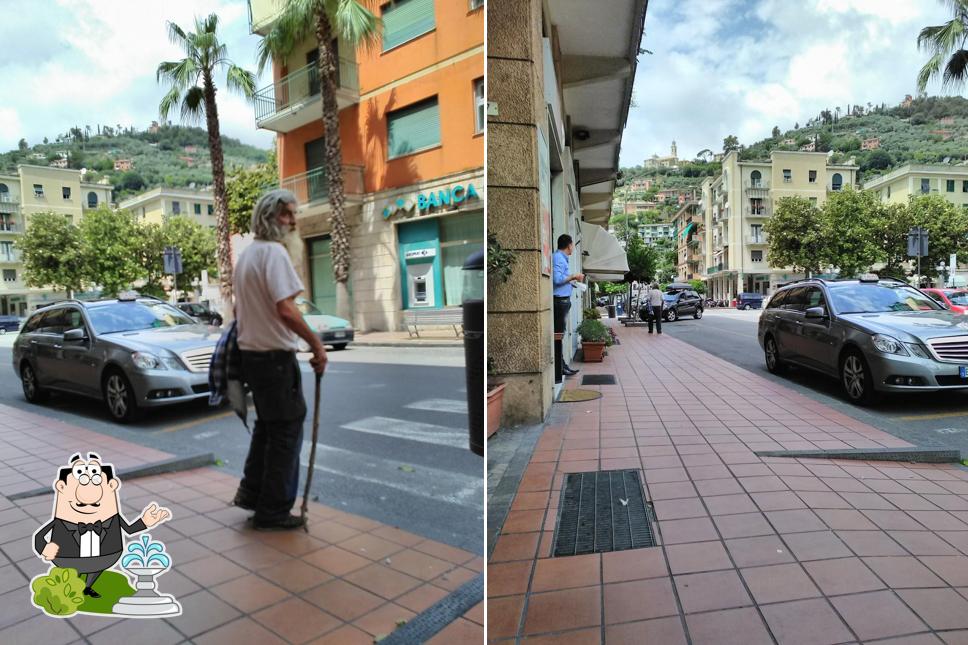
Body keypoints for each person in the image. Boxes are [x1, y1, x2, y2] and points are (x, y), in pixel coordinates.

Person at [232, 189, 327, 531]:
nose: (292, 222)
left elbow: (238, 310)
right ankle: (272, 510)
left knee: (269, 427)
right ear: (268, 217)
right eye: (286, 214)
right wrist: (316, 344)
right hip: (273, 359)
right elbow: (285, 309)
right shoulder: (273, 253)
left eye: (293, 215)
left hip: (254, 358)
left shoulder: (247, 256)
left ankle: (252, 493)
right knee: (286, 430)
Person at [553, 234, 584, 376]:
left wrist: (573, 282)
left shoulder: (561, 258)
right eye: (572, 245)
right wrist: (573, 276)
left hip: (562, 301)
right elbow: (557, 279)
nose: (573, 248)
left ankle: (562, 365)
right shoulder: (559, 258)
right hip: (560, 302)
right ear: (569, 245)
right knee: (558, 335)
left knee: (560, 334)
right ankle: (560, 368)